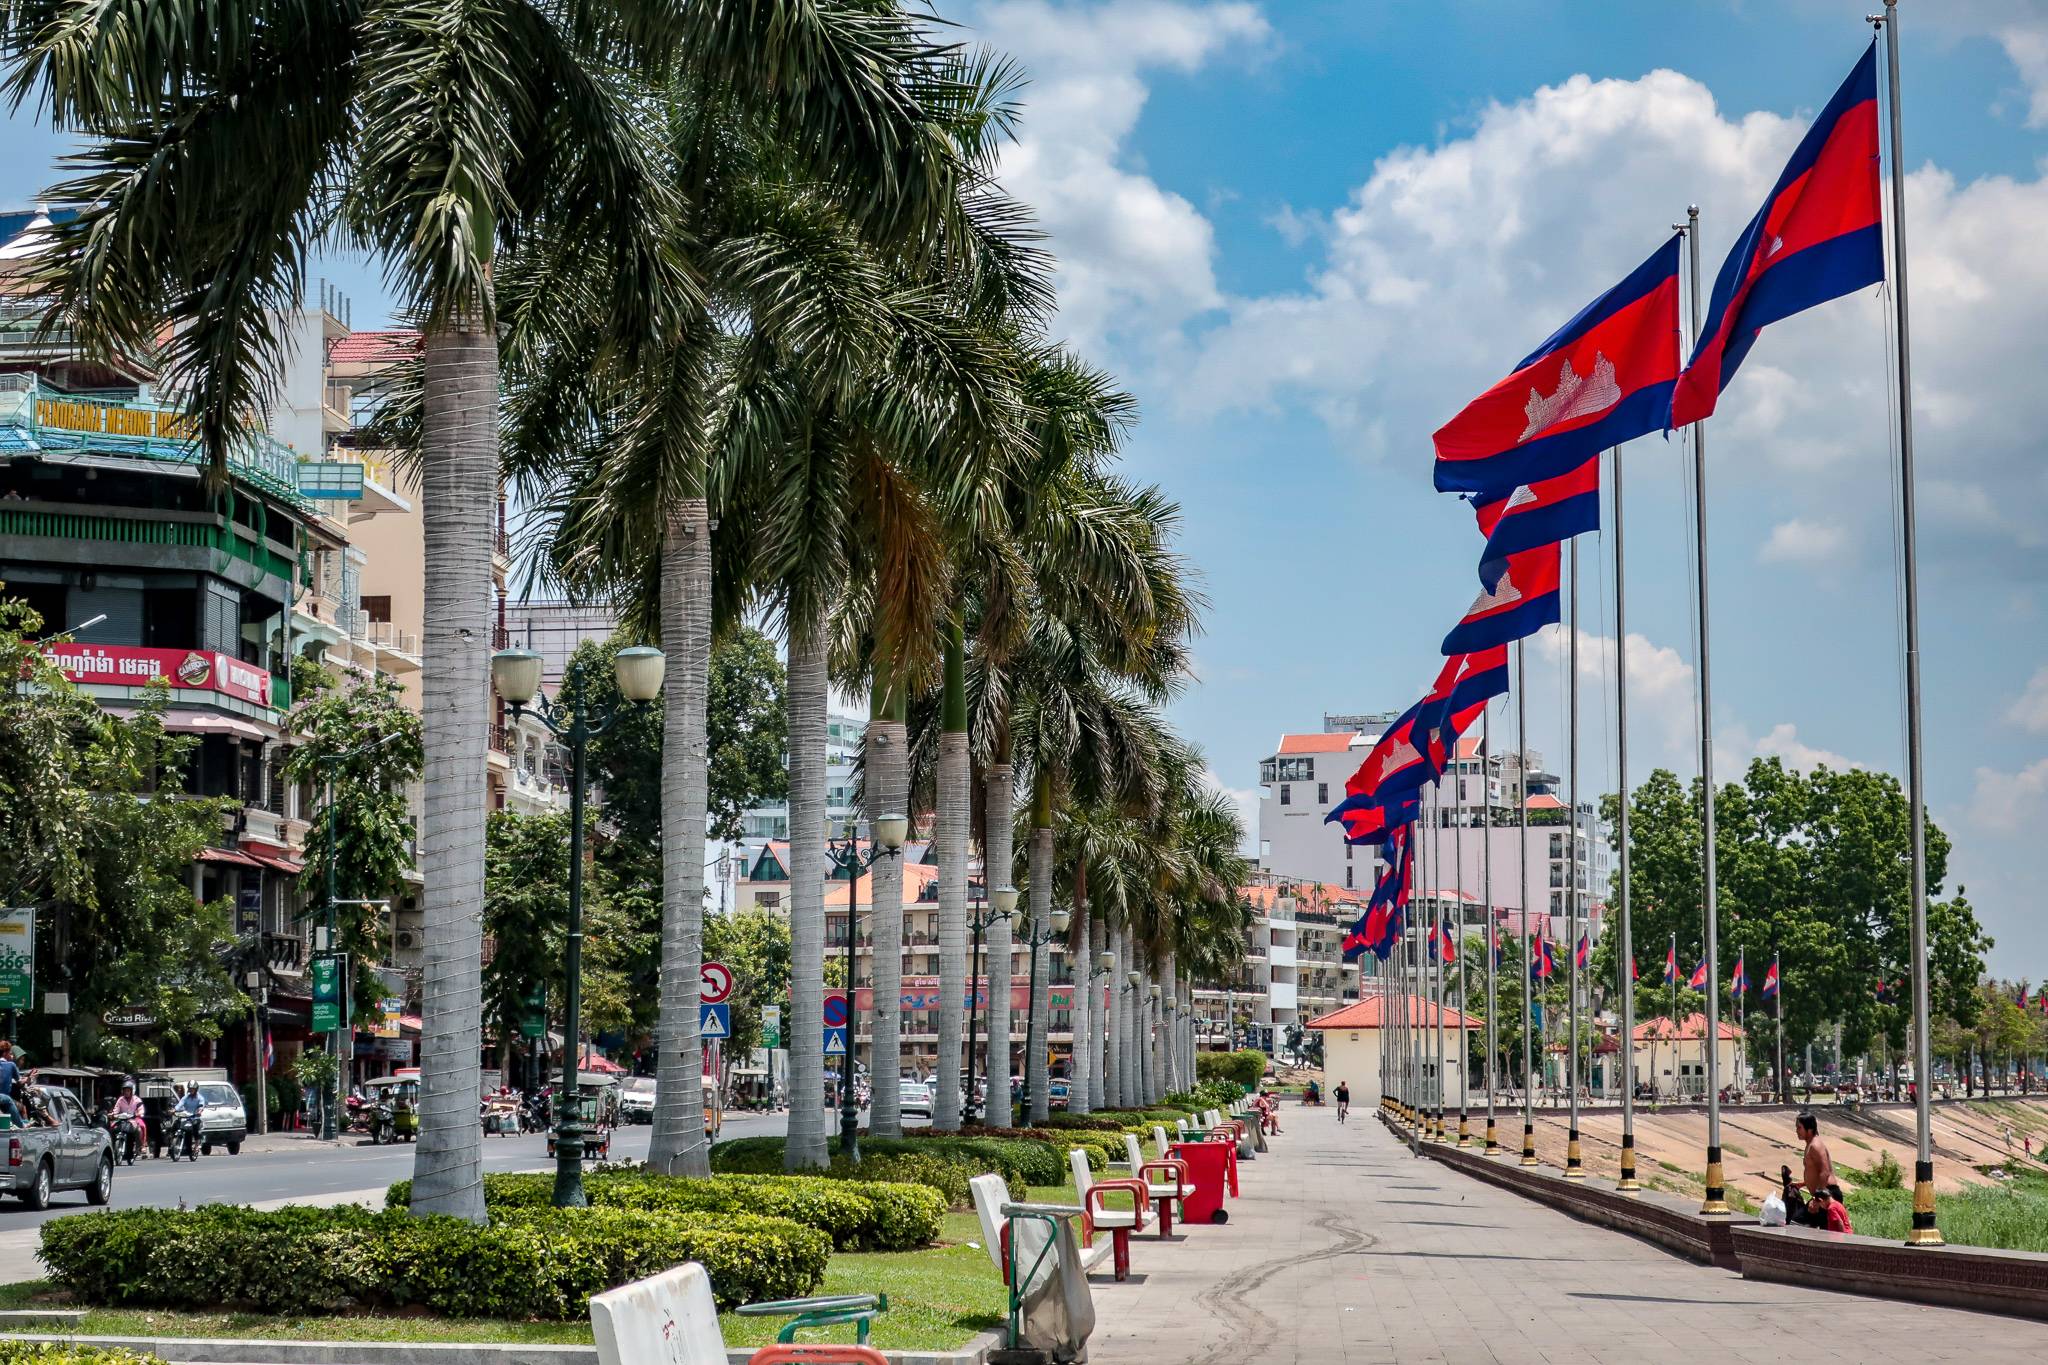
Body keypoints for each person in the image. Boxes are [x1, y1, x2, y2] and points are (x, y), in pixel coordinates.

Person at [1787, 1111, 1842, 1226]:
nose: (1796, 1130)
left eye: (1799, 1128)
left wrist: (1817, 1199)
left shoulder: (1815, 1145)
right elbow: (1815, 1172)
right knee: (1821, 1232)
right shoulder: (1810, 1144)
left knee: (1797, 1224)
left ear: (1810, 1129)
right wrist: (1802, 1184)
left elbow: (1825, 1172)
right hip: (1823, 1194)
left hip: (1828, 1194)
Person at [110, 1079, 147, 1155]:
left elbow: (141, 1109)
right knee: (111, 1128)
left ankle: (141, 1146)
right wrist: (113, 1114)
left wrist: (139, 1114)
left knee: (140, 1128)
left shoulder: (137, 1100)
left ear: (131, 1091)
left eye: (128, 1091)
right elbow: (116, 1109)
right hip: (121, 1119)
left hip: (133, 1119)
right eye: (125, 1091)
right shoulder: (120, 1099)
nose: (126, 1092)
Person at [0, 1043, 21, 1123]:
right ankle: (21, 1125)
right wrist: (30, 1078)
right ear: (5, 1053)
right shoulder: (11, 1065)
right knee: (22, 1108)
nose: (12, 1055)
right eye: (10, 1053)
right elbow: (20, 1083)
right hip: (4, 1098)